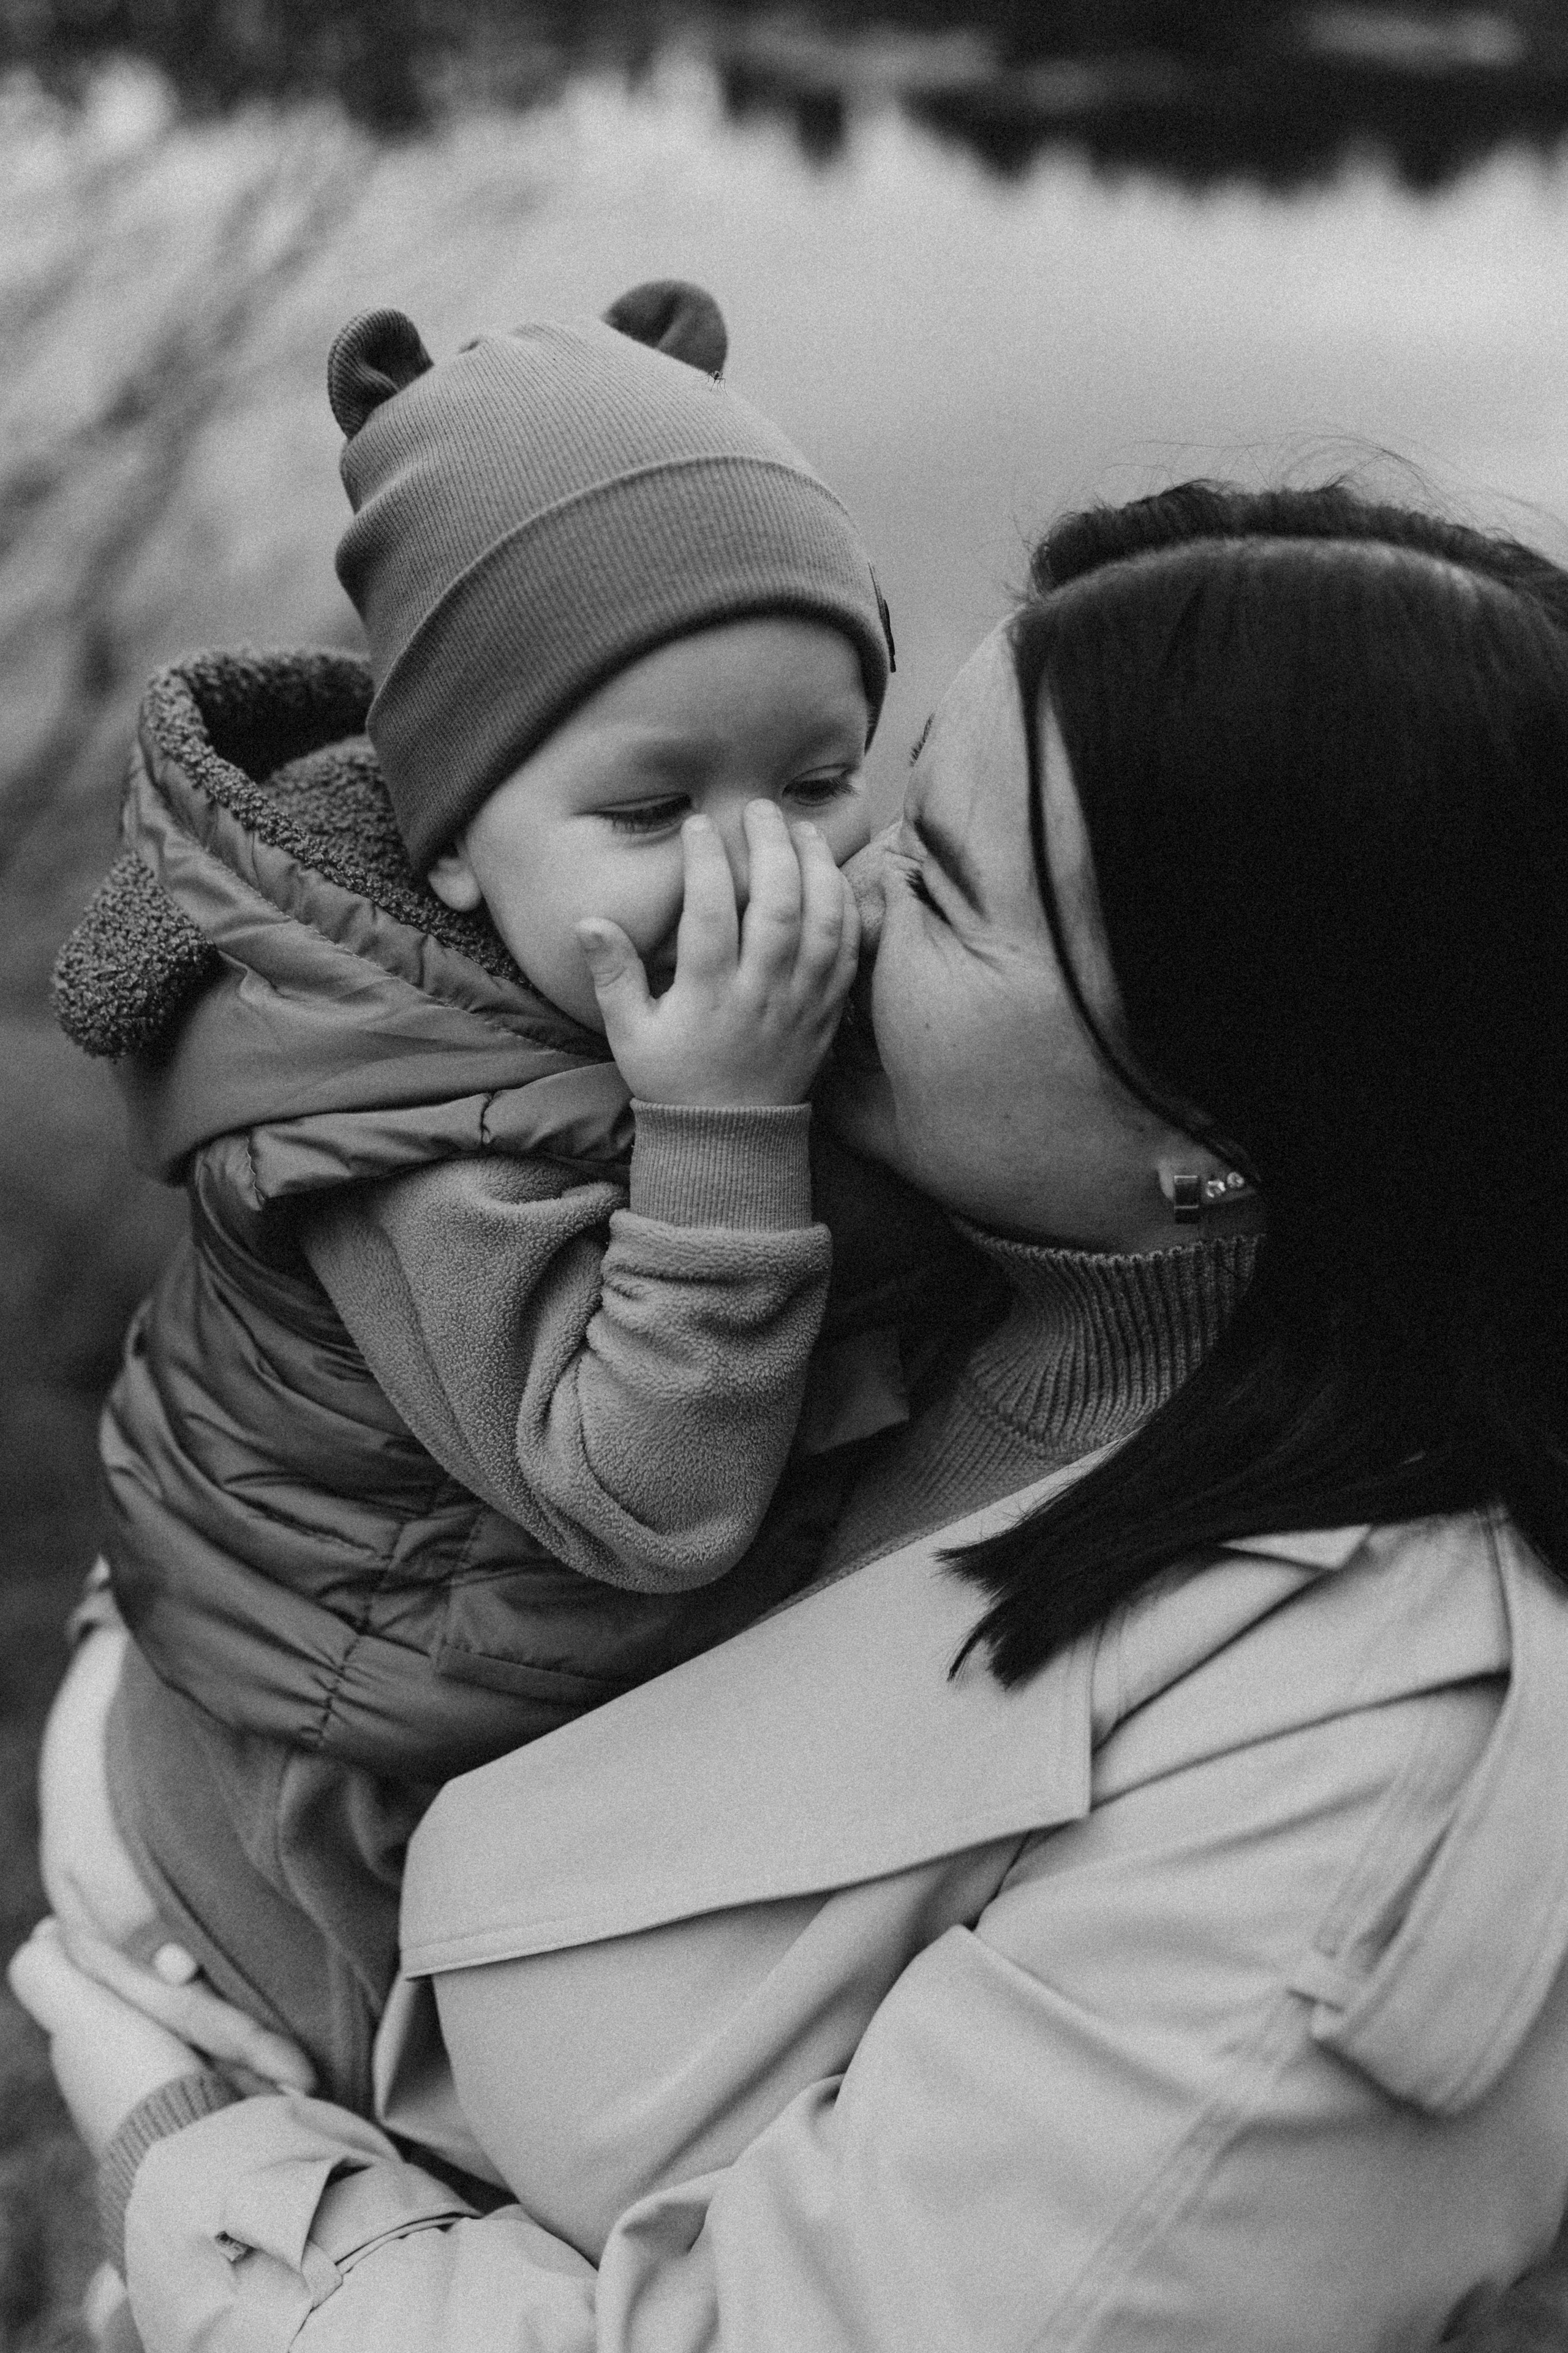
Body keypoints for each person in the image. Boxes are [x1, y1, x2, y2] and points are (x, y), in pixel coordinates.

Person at [20, 478, 1568, 2351]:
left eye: (949, 890)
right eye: (895, 800)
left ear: (1223, 1126)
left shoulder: (1376, 1802)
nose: (818, 889)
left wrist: (208, 2174)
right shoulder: (894, 1227)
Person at [38, 274, 954, 2120]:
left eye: (821, 780)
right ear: (451, 845)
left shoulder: (583, 958)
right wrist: (722, 1125)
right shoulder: (416, 1143)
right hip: (339, 1782)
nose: (755, 864)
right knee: (474, 2140)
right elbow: (641, 1497)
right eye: (652, 807)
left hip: (481, 1679)